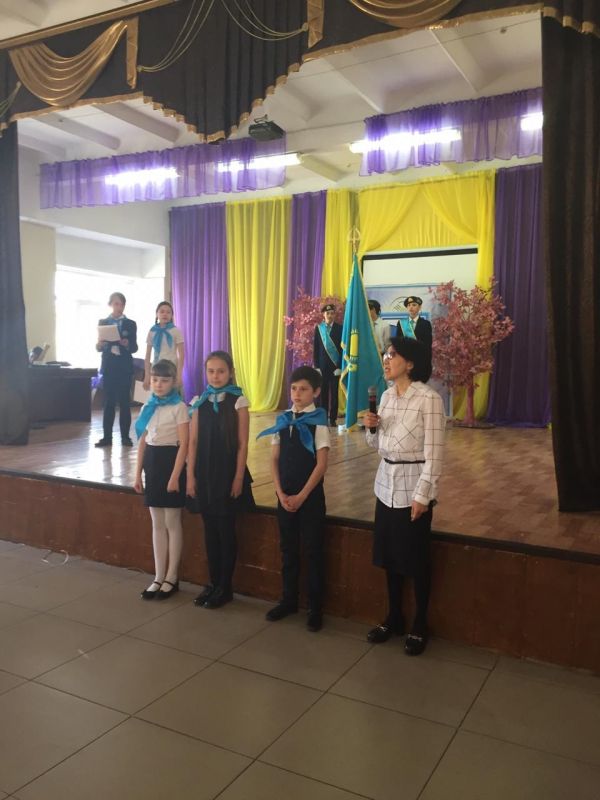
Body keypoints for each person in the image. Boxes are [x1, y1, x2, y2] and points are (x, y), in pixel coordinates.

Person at [363, 337, 445, 656]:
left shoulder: (428, 399)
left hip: (413, 489)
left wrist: (423, 495)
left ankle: (420, 623)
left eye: (393, 355)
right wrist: (371, 427)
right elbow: (376, 446)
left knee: (416, 559)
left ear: (410, 363)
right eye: (386, 354)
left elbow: (435, 454)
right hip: (385, 486)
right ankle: (394, 617)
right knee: (390, 557)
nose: (386, 359)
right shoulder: (385, 396)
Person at [257, 366, 330, 632]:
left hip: (309, 497)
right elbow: (274, 459)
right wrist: (280, 492)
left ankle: (314, 607)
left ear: (316, 392)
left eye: (304, 389)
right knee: (288, 549)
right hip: (285, 495)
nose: (297, 394)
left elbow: (321, 465)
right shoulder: (283, 420)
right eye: (294, 388)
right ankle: (288, 600)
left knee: (313, 551)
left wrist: (301, 496)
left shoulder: (319, 421)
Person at [186, 350, 254, 609]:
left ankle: (226, 587)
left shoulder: (238, 402)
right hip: (204, 473)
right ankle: (213, 582)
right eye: (211, 371)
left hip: (227, 473)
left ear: (231, 372)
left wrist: (238, 477)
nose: (215, 376)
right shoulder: (199, 402)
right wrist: (190, 476)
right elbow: (193, 442)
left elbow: (242, 444)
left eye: (221, 371)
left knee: (226, 531)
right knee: (210, 532)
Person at [134, 359, 189, 599]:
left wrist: (175, 476)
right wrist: (137, 473)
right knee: (156, 522)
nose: (158, 384)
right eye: (155, 379)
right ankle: (158, 576)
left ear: (174, 382)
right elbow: (143, 441)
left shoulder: (179, 407)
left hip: (171, 462)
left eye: (164, 380)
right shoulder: (148, 406)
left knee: (172, 522)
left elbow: (184, 444)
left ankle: (172, 576)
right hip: (152, 463)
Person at [95, 292, 138, 447]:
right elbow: (98, 347)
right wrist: (100, 344)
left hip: (124, 366)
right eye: (116, 303)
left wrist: (127, 343)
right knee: (108, 402)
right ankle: (107, 437)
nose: (119, 307)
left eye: (121, 304)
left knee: (125, 402)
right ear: (110, 305)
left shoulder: (130, 323)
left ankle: (125, 437)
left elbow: (134, 347)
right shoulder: (103, 322)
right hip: (109, 366)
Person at [143, 301, 185, 391]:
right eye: (162, 311)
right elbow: (147, 355)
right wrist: (147, 375)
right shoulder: (152, 331)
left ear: (172, 315)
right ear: (157, 314)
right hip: (156, 368)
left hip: (171, 368)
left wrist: (179, 375)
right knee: (157, 394)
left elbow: (181, 355)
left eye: (168, 312)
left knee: (171, 394)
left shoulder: (176, 331)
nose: (165, 314)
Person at [313, 303, 342, 427]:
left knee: (334, 394)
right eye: (327, 313)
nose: (330, 315)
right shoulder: (319, 329)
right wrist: (316, 367)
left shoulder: (340, 328)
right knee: (323, 394)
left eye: (332, 313)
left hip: (335, 367)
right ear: (323, 315)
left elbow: (342, 349)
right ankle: (323, 418)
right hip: (322, 367)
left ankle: (333, 419)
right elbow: (316, 348)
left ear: (334, 315)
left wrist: (340, 366)